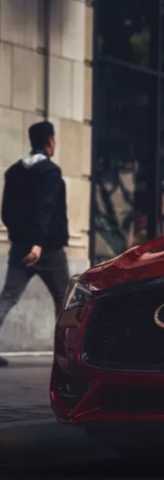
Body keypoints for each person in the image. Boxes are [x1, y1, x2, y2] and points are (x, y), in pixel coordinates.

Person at [0, 121, 70, 367]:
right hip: (47, 250)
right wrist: (38, 243)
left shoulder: (14, 172)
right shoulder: (50, 172)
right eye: (54, 139)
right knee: (64, 300)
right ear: (50, 140)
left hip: (20, 248)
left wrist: (22, 240)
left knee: (7, 297)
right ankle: (66, 357)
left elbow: (6, 212)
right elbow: (45, 208)